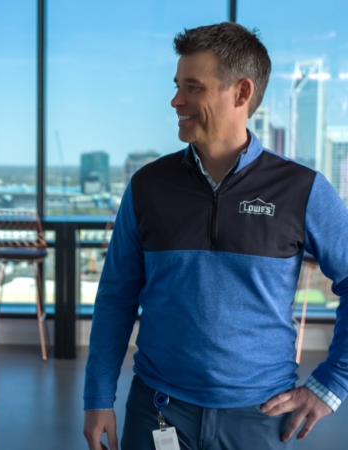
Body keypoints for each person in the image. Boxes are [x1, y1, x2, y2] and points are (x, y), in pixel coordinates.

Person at [83, 22, 348, 450]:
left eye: (192, 87)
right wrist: (97, 397)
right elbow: (116, 295)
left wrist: (332, 384)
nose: (176, 100)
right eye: (176, 85)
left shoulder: (303, 189)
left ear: (241, 93)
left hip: (260, 418)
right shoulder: (148, 186)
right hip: (157, 409)